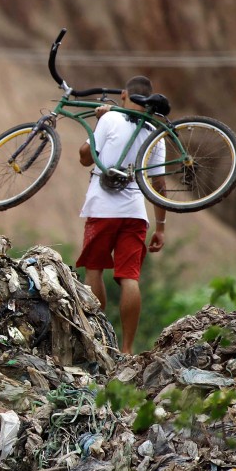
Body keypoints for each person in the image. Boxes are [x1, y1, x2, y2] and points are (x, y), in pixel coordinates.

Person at [76, 75, 167, 354]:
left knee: (95, 270)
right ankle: (127, 350)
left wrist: (97, 122)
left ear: (125, 94)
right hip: (136, 213)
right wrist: (161, 227)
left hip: (102, 208)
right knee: (129, 277)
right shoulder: (155, 132)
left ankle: (97, 339)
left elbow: (84, 157)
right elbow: (158, 185)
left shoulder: (110, 118)